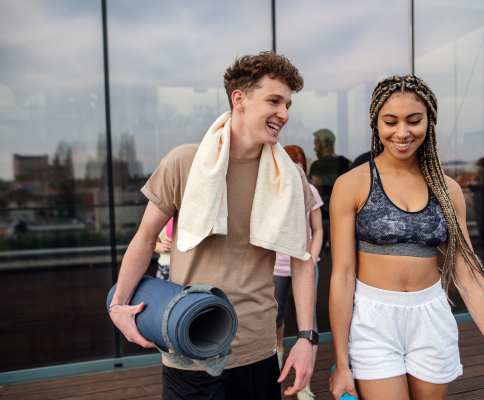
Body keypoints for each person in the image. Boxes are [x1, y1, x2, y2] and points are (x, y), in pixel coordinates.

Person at [108, 51, 318, 400]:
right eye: (274, 101)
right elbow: (145, 239)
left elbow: (301, 259)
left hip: (258, 348)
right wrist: (118, 305)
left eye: (287, 104)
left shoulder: (290, 177)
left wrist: (307, 337)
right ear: (240, 99)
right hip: (188, 344)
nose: (283, 114)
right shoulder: (184, 162)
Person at [328, 75, 484, 400]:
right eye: (390, 121)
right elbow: (341, 276)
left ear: (429, 122)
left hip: (431, 318)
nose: (402, 132)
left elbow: (469, 276)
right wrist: (341, 362)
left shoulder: (447, 189)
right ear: (376, 124)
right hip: (374, 321)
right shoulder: (352, 184)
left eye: (414, 120)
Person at [273, 145, 324, 400]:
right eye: (291, 161)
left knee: (309, 326)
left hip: (304, 266)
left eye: (299, 162)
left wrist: (311, 259)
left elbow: (318, 229)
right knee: (276, 318)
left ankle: (305, 386)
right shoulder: (272, 187)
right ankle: (279, 354)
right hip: (276, 268)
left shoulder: (310, 189)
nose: (296, 166)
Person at [308, 129, 351, 221]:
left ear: (324, 144)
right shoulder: (347, 163)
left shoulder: (317, 165)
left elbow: (316, 191)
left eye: (316, 144)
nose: (314, 148)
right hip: (345, 215)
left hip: (324, 217)